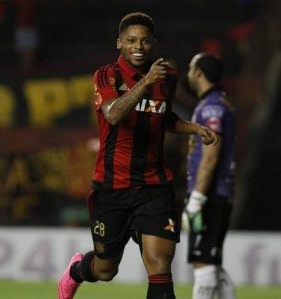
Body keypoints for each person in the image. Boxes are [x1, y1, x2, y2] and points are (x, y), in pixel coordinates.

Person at [58, 12, 219, 299]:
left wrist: (194, 127)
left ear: (153, 43)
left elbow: (161, 117)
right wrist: (144, 83)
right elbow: (114, 114)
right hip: (112, 186)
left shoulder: (167, 77)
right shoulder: (106, 75)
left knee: (159, 264)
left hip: (154, 186)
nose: (139, 46)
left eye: (145, 41)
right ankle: (76, 271)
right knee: (106, 270)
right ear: (119, 42)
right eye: (131, 40)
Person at [183, 52, 237, 299]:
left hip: (210, 194)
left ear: (199, 73)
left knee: (203, 264)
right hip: (217, 193)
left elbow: (211, 156)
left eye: (190, 69)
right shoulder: (218, 103)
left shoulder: (211, 108)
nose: (188, 74)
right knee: (211, 262)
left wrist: (197, 198)